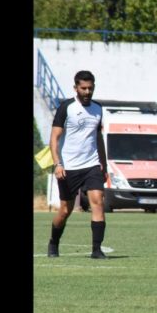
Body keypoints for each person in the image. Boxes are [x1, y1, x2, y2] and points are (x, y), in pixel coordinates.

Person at [48, 70, 109, 259]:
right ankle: (53, 242)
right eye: (83, 88)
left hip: (91, 165)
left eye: (90, 88)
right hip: (68, 167)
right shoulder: (66, 108)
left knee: (98, 202)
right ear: (76, 88)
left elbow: (98, 138)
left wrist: (103, 165)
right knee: (65, 210)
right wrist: (57, 164)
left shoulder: (98, 109)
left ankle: (96, 250)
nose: (87, 91)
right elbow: (54, 139)